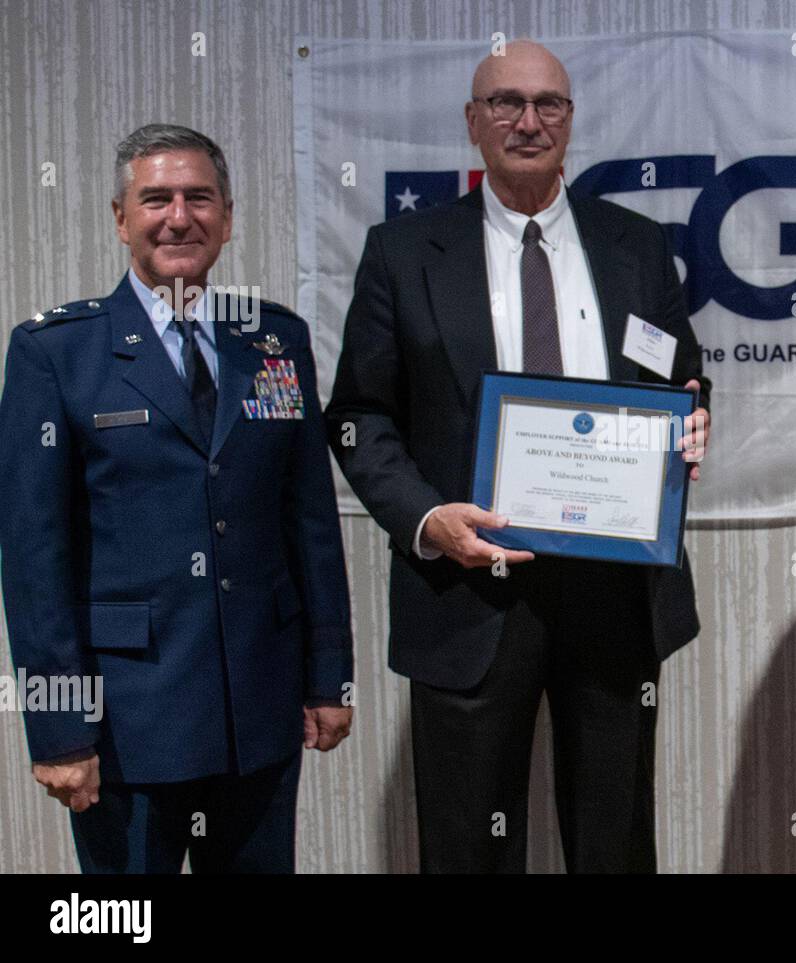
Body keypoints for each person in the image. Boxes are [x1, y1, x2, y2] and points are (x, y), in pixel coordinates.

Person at [326, 40, 710, 873]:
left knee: (615, 842)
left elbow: (681, 375)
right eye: (505, 103)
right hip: (467, 587)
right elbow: (358, 415)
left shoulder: (636, 247)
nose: (527, 122)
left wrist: (691, 419)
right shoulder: (403, 252)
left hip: (613, 589)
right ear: (473, 122)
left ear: (571, 122)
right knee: (466, 846)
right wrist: (428, 517)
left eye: (548, 105)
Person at [0, 124, 354, 873]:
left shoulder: (274, 343)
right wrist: (61, 728)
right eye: (155, 198)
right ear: (121, 219)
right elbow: (36, 560)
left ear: (227, 217)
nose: (179, 216)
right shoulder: (56, 353)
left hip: (257, 713)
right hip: (129, 724)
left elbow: (311, 522)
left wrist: (330, 677)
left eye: (199, 198)